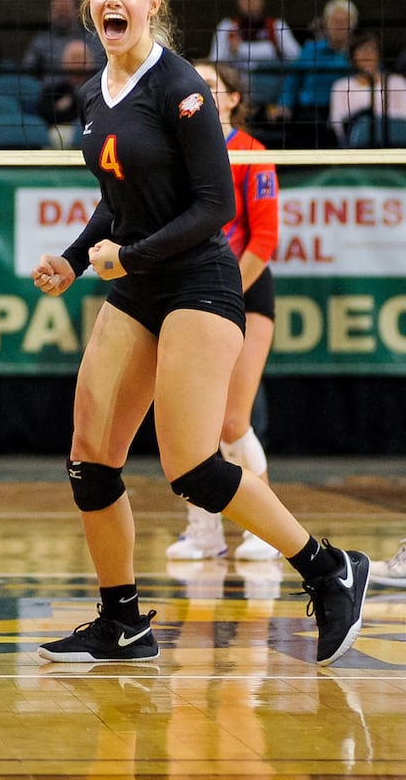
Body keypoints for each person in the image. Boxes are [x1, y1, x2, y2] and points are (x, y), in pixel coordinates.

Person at [32, 0, 368, 666]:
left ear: (153, 5)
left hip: (199, 283)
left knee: (193, 466)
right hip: (139, 284)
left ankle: (329, 567)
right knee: (90, 460)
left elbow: (215, 205)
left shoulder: (179, 85)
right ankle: (121, 619)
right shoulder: (96, 94)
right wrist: (72, 255)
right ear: (91, 8)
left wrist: (129, 256)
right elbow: (116, 202)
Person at [165, 61, 280, 563]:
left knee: (233, 420)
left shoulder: (252, 153)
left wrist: (225, 289)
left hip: (243, 292)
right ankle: (204, 533)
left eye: (213, 87)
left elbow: (265, 240)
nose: (202, 94)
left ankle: (263, 531)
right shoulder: (176, 150)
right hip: (189, 292)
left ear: (233, 99)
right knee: (195, 424)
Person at [207, 0, 300, 73]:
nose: (249, 0)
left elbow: (297, 58)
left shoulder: (277, 26)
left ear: (263, 0)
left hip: (270, 82)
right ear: (238, 1)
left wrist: (240, 49)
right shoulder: (227, 26)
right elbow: (215, 61)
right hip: (237, 82)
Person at [328, 33, 406, 144]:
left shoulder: (397, 82)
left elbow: (404, 115)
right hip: (356, 145)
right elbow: (338, 122)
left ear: (379, 55)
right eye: (362, 50)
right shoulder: (341, 86)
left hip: (396, 142)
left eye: (372, 50)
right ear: (353, 56)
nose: (368, 54)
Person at [22, 0, 104, 81]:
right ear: (50, 13)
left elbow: (104, 71)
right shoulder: (40, 42)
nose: (62, 15)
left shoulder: (94, 38)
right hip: (51, 91)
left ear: (78, 12)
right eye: (58, 10)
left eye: (66, 10)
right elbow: (27, 73)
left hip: (90, 91)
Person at [36, 39, 99, 149]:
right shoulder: (54, 88)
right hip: (63, 130)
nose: (79, 62)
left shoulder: (100, 87)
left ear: (91, 61)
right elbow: (45, 114)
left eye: (82, 57)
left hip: (94, 128)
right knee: (57, 135)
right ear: (65, 61)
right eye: (74, 57)